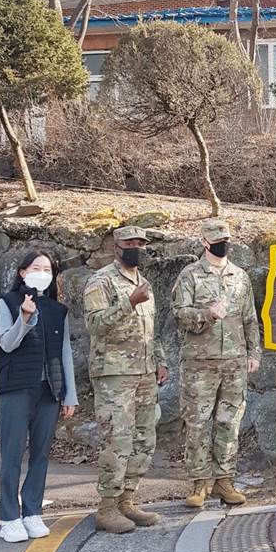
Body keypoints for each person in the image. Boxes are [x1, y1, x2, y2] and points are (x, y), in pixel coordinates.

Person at [83, 226, 168, 533]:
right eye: (130, 243)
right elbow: (94, 324)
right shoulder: (101, 280)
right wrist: (128, 302)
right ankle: (106, 508)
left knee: (144, 439)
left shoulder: (143, 283)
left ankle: (127, 501)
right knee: (117, 439)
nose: (137, 248)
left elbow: (150, 329)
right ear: (116, 247)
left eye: (141, 244)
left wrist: (160, 361)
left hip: (144, 372)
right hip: (114, 374)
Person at [171, 219, 261, 508]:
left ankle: (224, 480)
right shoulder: (190, 275)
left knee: (229, 423)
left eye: (226, 240)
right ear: (204, 242)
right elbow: (179, 314)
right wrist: (206, 314)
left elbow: (250, 318)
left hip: (234, 361)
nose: (223, 244)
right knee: (197, 423)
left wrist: (254, 353)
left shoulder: (240, 276)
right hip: (199, 363)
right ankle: (199, 483)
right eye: (218, 240)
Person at [0, 249, 78, 543]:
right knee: (12, 454)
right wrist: (25, 318)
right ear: (22, 272)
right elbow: (7, 343)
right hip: (16, 388)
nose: (42, 273)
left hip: (49, 390)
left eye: (47, 269)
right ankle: (9, 517)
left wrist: (69, 395)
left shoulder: (58, 310)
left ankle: (32, 511)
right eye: (36, 268)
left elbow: (65, 352)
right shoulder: (7, 302)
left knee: (41, 454)